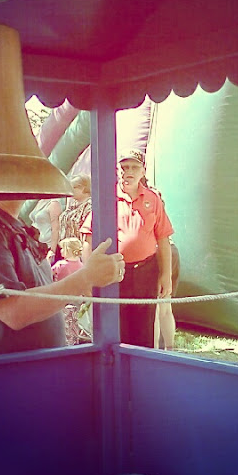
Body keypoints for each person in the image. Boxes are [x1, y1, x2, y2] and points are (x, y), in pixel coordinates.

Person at [0, 200, 124, 359]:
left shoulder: (8, 223)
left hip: (29, 370)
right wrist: (85, 278)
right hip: (4, 375)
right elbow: (12, 312)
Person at [81, 149, 174, 348]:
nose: (128, 172)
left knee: (144, 331)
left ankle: (142, 366)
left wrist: (166, 275)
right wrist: (88, 275)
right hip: (115, 273)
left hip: (146, 272)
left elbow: (163, 239)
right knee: (116, 330)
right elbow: (88, 237)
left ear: (143, 171)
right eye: (124, 167)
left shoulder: (153, 199)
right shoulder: (107, 199)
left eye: (134, 167)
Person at [52, 237, 85, 345]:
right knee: (74, 319)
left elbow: (49, 272)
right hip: (77, 297)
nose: (61, 251)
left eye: (62, 249)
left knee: (64, 320)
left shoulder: (60, 265)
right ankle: (74, 340)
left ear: (67, 250)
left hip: (62, 296)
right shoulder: (82, 266)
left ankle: (66, 341)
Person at [155, 240, 180, 350]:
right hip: (171, 250)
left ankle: (154, 351)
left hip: (158, 252)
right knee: (165, 308)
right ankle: (169, 349)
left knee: (155, 310)